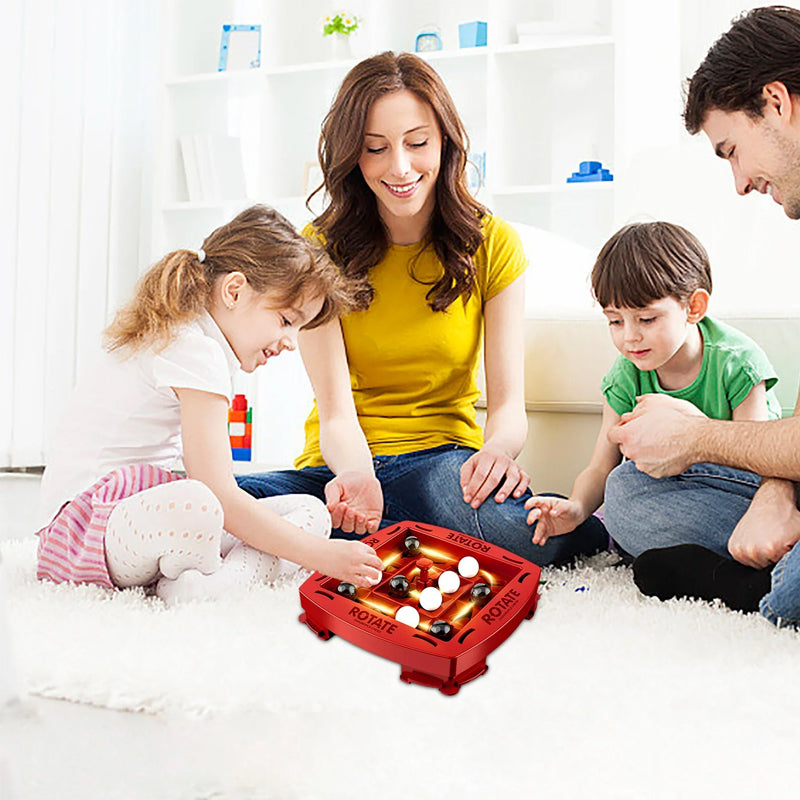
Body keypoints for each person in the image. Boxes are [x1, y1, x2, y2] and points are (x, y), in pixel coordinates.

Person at [237, 52, 608, 565]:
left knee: (486, 516)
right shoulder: (319, 249)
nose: (400, 168)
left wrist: (497, 453)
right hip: (342, 471)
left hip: (443, 466)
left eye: (417, 143)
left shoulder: (492, 243)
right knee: (219, 498)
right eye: (375, 148)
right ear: (352, 155)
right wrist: (357, 477)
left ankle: (361, 539)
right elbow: (336, 410)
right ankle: (386, 537)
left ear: (445, 143)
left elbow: (506, 408)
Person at [36, 205, 383, 605]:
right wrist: (322, 557)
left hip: (136, 514)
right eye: (287, 321)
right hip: (81, 530)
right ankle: (205, 583)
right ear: (234, 291)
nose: (291, 342)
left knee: (310, 511)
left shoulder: (198, 339)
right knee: (204, 505)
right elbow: (218, 492)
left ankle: (200, 586)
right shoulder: (193, 348)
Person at [604, 5, 800, 626]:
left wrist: (696, 437)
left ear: (776, 102)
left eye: (732, 150)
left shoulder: (733, 359)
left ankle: (761, 586)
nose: (740, 182)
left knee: (793, 589)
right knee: (629, 496)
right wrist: (776, 493)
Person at [525, 221, 781, 547]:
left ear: (694, 307)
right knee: (622, 490)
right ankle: (714, 556)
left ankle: (723, 551)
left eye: (646, 319)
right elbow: (601, 467)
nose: (630, 336)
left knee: (628, 500)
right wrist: (576, 509)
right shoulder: (625, 376)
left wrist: (690, 426)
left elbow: (756, 461)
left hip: (743, 491)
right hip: (673, 494)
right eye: (615, 321)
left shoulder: (737, 362)